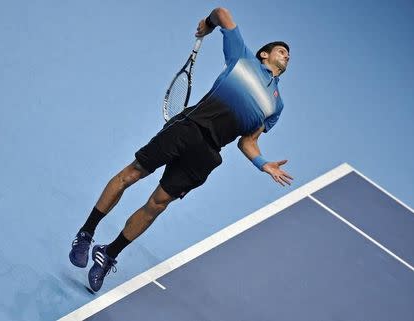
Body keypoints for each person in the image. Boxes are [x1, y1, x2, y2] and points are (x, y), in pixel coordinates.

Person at [69, 7, 293, 292]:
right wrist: (209, 24)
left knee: (157, 204)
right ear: (265, 54)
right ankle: (86, 232)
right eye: (281, 50)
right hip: (188, 127)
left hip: (207, 154)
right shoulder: (243, 58)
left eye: (288, 55)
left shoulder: (276, 106)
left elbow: (247, 141)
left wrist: (264, 163)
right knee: (132, 173)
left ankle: (108, 253)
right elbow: (222, 12)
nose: (286, 54)